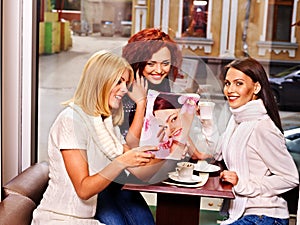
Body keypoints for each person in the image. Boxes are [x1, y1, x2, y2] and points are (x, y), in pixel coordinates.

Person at [31, 50, 159, 225]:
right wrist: (122, 161)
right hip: (59, 219)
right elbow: (83, 189)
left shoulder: (106, 123)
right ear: (100, 82)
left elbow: (139, 169)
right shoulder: (71, 121)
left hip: (86, 219)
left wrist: (173, 150)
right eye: (118, 82)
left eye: (126, 83)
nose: (124, 89)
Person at [200, 57, 299, 225]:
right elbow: (218, 152)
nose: (230, 90)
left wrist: (243, 184)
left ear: (256, 87)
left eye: (239, 83)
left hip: (265, 216)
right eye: (227, 83)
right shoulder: (238, 118)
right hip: (242, 212)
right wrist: (207, 120)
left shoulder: (263, 127)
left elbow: (290, 178)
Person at [121, 27, 210, 160]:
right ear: (137, 61)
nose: (159, 70)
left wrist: (196, 153)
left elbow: (175, 124)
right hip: (130, 166)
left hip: (155, 159)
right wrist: (141, 103)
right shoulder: (123, 89)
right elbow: (131, 144)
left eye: (165, 63)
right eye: (151, 64)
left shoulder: (161, 83)